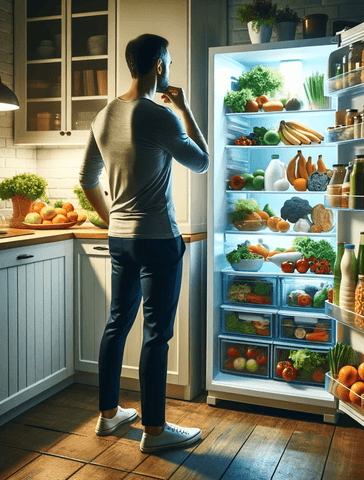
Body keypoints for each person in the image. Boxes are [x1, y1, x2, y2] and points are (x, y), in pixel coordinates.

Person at [78, 33, 209, 453]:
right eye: (167, 61)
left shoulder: (103, 116)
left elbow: (86, 180)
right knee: (156, 334)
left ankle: (108, 415)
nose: (168, 68)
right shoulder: (160, 116)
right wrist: (184, 107)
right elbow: (202, 161)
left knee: (117, 324)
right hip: (157, 241)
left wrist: (111, 218)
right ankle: (155, 431)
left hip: (120, 241)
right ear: (158, 66)